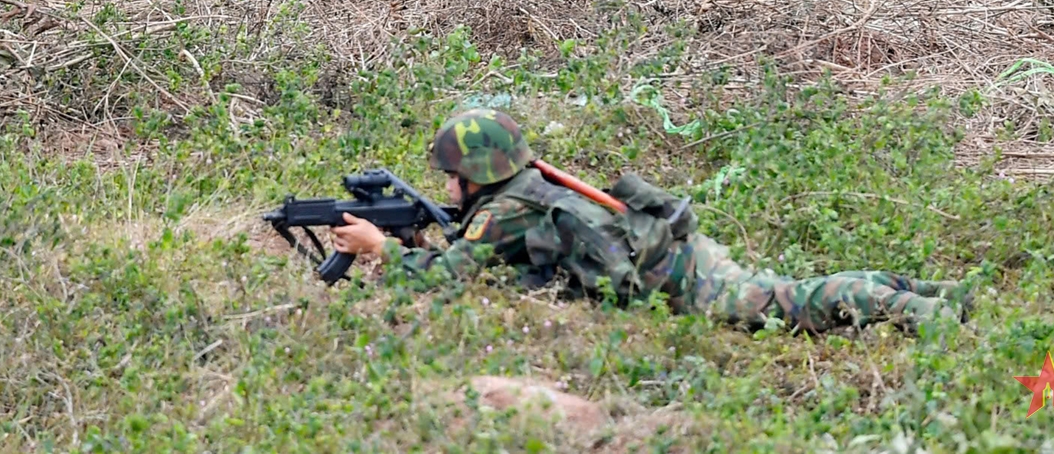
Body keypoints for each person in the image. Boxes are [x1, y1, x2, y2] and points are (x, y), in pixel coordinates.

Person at [329, 108, 968, 335]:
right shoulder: (520, 188)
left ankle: (920, 312)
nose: (447, 187)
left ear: (481, 172)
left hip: (679, 276)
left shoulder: (505, 211)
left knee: (790, 304)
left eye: (452, 175)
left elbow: (446, 278)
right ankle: (932, 294)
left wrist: (380, 247)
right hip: (671, 256)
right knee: (787, 290)